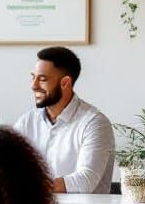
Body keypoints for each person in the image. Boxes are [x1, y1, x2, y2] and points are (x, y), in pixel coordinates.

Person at [13, 45, 114, 194]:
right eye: (33, 77)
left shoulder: (95, 123)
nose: (33, 86)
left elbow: (85, 181)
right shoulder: (26, 121)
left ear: (65, 82)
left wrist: (30, 187)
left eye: (42, 79)